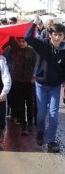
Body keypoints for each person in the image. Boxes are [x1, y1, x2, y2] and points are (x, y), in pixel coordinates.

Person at [25, 19, 65, 153]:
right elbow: (27, 38)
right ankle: (40, 132)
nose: (57, 37)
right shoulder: (43, 44)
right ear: (50, 34)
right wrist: (34, 25)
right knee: (41, 113)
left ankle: (51, 141)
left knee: (53, 114)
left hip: (55, 86)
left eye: (60, 35)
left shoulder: (64, 50)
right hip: (41, 85)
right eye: (55, 34)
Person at [9, 36, 36, 135]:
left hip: (29, 81)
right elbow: (9, 42)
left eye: (23, 41)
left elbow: (36, 64)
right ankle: (23, 125)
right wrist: (14, 33)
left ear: (26, 42)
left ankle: (30, 124)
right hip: (18, 81)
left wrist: (34, 76)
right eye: (19, 41)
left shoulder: (31, 51)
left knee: (29, 104)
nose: (21, 43)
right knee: (19, 104)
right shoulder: (14, 50)